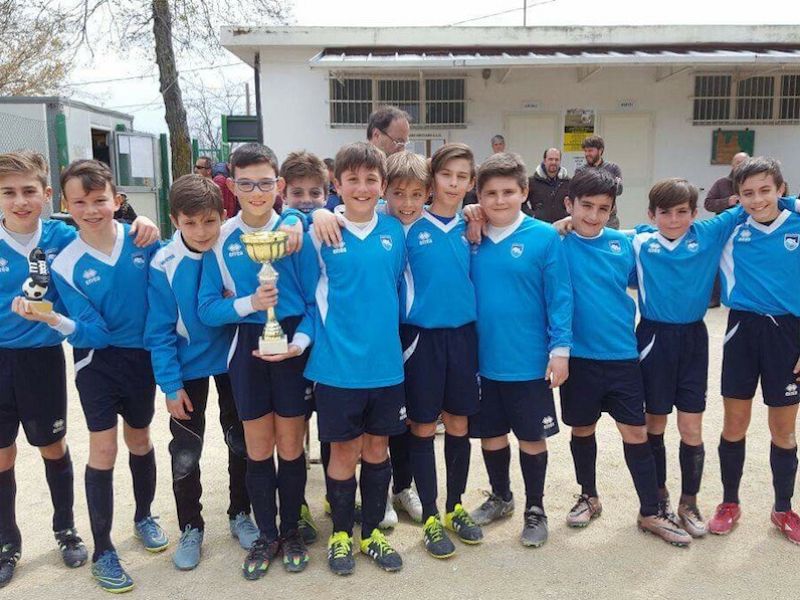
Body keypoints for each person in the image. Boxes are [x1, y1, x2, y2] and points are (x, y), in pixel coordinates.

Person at [198, 143, 317, 579]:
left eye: (265, 183)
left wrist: (300, 343)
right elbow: (207, 307)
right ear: (231, 185)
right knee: (257, 449)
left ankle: (290, 531)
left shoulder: (296, 231)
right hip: (247, 348)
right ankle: (266, 533)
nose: (256, 192)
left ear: (279, 186)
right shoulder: (221, 238)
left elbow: (313, 302)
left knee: (291, 447)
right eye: (246, 184)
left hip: (290, 349)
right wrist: (248, 302)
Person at [48, 159, 166, 592]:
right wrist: (56, 322)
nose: (91, 209)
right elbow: (92, 329)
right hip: (95, 362)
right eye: (80, 202)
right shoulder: (65, 262)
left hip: (141, 358)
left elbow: (172, 273)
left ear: (117, 201)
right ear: (66, 205)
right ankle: (103, 549)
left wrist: (149, 222)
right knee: (104, 448)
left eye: (100, 200)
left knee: (140, 438)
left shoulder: (144, 241)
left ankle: (144, 516)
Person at [558, 168, 691, 546]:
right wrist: (557, 225)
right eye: (585, 206)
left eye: (603, 208)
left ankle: (650, 510)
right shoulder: (556, 242)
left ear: (613, 210)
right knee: (581, 428)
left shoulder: (624, 243)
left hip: (622, 355)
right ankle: (589, 495)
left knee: (635, 431)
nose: (593, 215)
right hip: (578, 357)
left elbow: (665, 238)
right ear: (570, 204)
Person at [144, 174, 257, 571]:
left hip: (231, 362)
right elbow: (158, 330)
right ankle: (191, 527)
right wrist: (170, 386)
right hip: (186, 370)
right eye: (190, 223)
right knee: (186, 454)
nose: (202, 231)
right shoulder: (163, 262)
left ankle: (240, 513)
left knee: (240, 441)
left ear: (222, 216)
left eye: (210, 221)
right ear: (175, 220)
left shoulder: (230, 248)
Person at [304, 142, 407, 576]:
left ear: (382, 185)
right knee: (343, 452)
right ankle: (342, 533)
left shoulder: (394, 231)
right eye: (353, 180)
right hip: (337, 366)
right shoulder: (321, 231)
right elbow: (289, 221)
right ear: (337, 184)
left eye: (370, 180)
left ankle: (371, 532)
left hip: (385, 366)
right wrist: (314, 212)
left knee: (378, 450)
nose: (362, 188)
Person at [468, 152, 572, 548]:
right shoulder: (470, 235)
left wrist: (559, 350)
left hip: (528, 362)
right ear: (478, 195)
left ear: (524, 192)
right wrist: (468, 213)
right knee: (490, 435)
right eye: (489, 193)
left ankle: (535, 507)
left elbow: (560, 297)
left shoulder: (543, 237)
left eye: (508, 192)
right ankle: (501, 496)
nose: (498, 200)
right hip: (482, 360)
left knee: (531, 437)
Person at [0, 151, 89, 588]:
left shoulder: (61, 236)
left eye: (29, 191)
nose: (20, 201)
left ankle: (65, 528)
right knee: (2, 453)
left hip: (42, 358)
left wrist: (143, 225)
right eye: (9, 192)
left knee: (52, 445)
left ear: (47, 194)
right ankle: (6, 542)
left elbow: (109, 234)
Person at [396, 144, 484, 558]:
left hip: (464, 338)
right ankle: (430, 515)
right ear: (434, 179)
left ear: (471, 182)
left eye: (462, 177)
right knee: (422, 426)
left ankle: (455, 507)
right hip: (421, 339)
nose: (454, 183)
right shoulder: (407, 224)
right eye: (447, 175)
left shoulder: (474, 226)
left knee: (460, 424)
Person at [708, 157, 800, 544]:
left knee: (783, 428)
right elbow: (675, 229)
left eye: (765, 190)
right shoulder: (731, 229)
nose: (757, 199)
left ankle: (783, 508)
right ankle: (730, 502)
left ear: (781, 189)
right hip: (743, 329)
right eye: (748, 193)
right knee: (734, 423)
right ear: (737, 196)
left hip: (789, 334)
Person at [704, 151, 749, 308]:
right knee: (716, 263)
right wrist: (727, 202)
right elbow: (708, 203)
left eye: (744, 162)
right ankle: (714, 298)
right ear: (732, 164)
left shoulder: (752, 183)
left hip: (748, 231)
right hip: (724, 230)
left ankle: (744, 297)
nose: (740, 166)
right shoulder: (721, 183)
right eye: (738, 163)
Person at [575, 136, 622, 229]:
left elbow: (619, 190)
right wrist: (609, 185)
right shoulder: (580, 171)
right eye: (586, 151)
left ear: (600, 150)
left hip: (610, 220)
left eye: (590, 151)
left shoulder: (613, 168)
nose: (587, 154)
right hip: (587, 218)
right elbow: (578, 191)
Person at [525, 148, 570, 222]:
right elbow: (521, 203)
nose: (553, 162)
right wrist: (532, 216)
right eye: (550, 159)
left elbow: (574, 203)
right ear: (545, 160)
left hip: (562, 228)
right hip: (539, 227)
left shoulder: (568, 182)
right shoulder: (531, 181)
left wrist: (568, 216)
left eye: (556, 159)